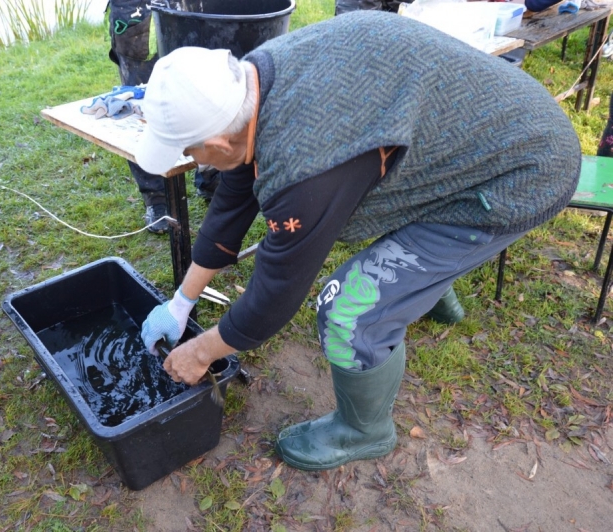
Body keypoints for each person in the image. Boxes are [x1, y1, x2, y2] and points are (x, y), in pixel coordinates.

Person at [134, 12, 581, 471]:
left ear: (219, 140)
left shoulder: (305, 167)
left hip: (521, 171)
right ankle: (425, 291)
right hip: (470, 131)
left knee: (346, 308)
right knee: (379, 218)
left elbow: (273, 297)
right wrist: (181, 303)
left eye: (191, 152)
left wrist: (200, 351)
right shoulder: (250, 81)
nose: (194, 163)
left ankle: (364, 430)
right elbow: (231, 202)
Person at [107, 0, 220, 234]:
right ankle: (156, 199)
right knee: (144, 103)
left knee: (200, 85)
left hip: (191, 5)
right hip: (137, 10)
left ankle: (211, 175)